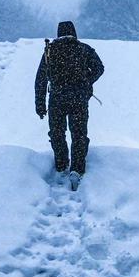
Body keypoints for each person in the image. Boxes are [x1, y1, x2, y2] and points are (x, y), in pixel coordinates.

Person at [35, 21, 104, 189]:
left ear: (58, 33)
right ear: (74, 32)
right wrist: (86, 81)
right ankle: (77, 169)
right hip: (78, 98)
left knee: (57, 133)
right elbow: (99, 68)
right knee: (79, 134)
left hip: (57, 99)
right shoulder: (84, 48)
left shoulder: (50, 50)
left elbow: (41, 80)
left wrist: (40, 104)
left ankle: (61, 164)